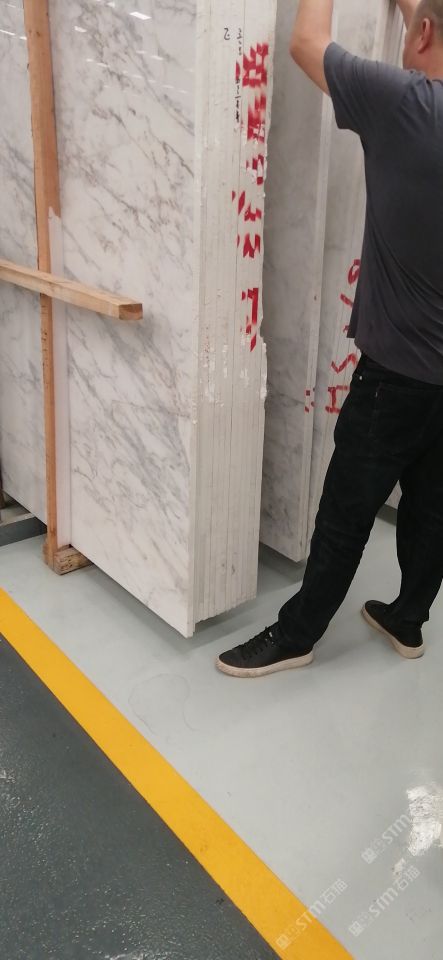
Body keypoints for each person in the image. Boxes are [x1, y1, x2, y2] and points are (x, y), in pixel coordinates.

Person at [216, 0, 443, 678]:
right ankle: (407, 619)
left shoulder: (404, 103)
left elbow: (305, 40)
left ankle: (296, 635)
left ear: (424, 33)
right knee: (433, 506)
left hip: (396, 374)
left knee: (346, 509)